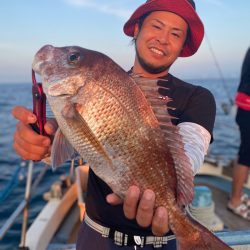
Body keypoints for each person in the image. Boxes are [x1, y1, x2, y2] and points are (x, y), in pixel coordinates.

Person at [12, 0, 216, 249]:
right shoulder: (105, 83)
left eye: (175, 33)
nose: (163, 39)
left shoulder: (198, 97)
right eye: (157, 26)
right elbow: (80, 140)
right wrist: (43, 138)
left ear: (183, 44)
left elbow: (191, 151)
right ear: (137, 29)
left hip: (165, 240)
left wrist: (162, 196)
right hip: (96, 236)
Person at [228, 47, 250, 220]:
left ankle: (238, 193)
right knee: (246, 155)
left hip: (243, 105)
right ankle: (234, 201)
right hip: (248, 107)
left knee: (244, 152)